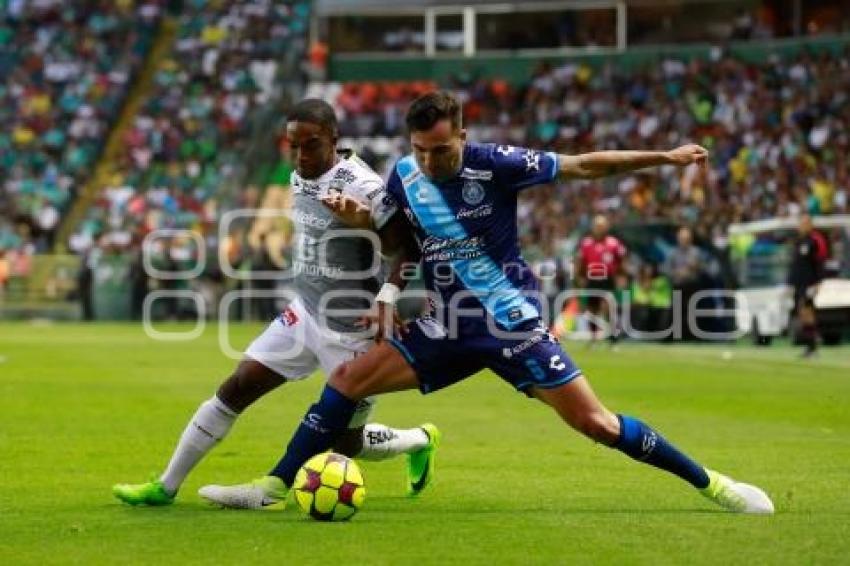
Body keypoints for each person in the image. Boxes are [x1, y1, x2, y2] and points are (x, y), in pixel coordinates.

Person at [202, 91, 773, 514]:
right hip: (444, 324)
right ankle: (273, 487)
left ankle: (713, 485)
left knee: (595, 423)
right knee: (349, 379)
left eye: (442, 150)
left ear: (463, 134)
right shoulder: (401, 177)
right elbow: (397, 244)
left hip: (508, 323)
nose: (431, 161)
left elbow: (583, 166)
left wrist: (665, 158)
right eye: (421, 151)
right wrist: (383, 277)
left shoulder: (496, 163)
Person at [112, 99, 441, 507]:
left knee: (347, 442)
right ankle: (166, 486)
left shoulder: (364, 186)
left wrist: (375, 256)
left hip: (353, 327)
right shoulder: (300, 175)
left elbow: (407, 249)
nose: (301, 155)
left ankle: (419, 440)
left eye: (312, 145)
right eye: (294, 146)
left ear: (334, 140)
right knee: (237, 386)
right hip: (304, 313)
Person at [575, 215, 627, 346]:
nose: (599, 229)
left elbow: (622, 261)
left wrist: (622, 277)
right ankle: (593, 338)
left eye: (602, 226)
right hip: (591, 279)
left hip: (607, 279)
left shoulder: (613, 243)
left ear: (607, 227)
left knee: (608, 307)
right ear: (593, 228)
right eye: (597, 226)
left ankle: (613, 337)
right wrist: (579, 278)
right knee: (592, 309)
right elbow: (580, 263)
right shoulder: (586, 243)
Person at [787, 214, 828, 358]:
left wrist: (818, 282)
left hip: (809, 283)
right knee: (802, 312)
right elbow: (795, 265)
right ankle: (810, 346)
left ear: (810, 225)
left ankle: (813, 346)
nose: (802, 226)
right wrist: (790, 283)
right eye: (801, 223)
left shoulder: (814, 241)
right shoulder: (798, 242)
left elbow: (819, 263)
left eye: (805, 223)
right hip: (799, 283)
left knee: (807, 311)